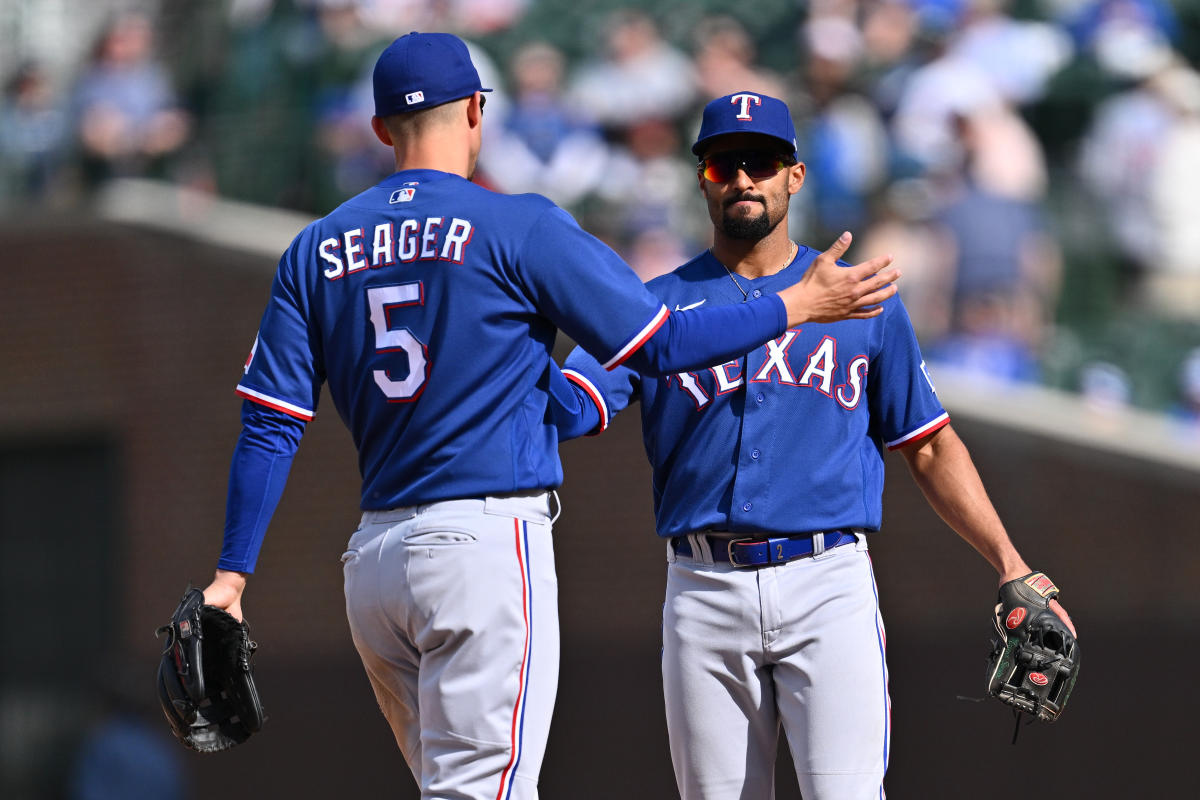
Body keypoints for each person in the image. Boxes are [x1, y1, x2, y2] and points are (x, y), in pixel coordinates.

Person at [196, 36, 900, 800]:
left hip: (373, 566)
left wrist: (232, 576)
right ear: (476, 112)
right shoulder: (516, 225)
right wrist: (797, 305)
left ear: (378, 130)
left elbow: (271, 424)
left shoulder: (314, 249)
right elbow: (661, 344)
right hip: (478, 547)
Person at [556, 91, 1076, 799]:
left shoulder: (862, 300)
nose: (743, 179)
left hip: (826, 580)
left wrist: (1011, 563)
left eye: (762, 162)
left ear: (794, 176)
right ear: (701, 176)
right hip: (703, 584)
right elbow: (571, 407)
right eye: (723, 164)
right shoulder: (653, 307)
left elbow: (926, 443)